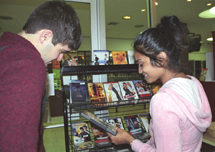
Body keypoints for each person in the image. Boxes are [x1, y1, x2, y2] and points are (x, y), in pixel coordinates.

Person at [108, 15, 212, 152]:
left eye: (141, 64)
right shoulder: (194, 83)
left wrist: (130, 140)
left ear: (161, 58)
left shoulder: (163, 101)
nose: (140, 71)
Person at [0, 1, 82, 152]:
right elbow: (17, 142)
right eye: (61, 50)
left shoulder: (6, 49)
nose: (59, 58)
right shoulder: (28, 64)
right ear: (45, 36)